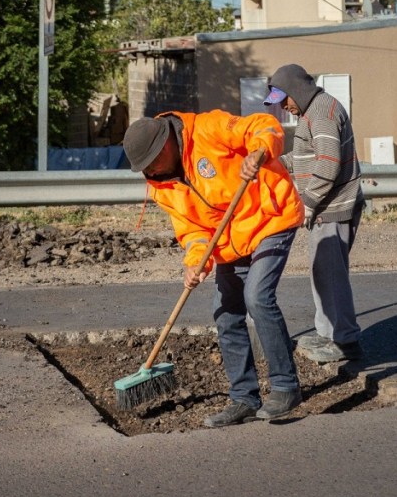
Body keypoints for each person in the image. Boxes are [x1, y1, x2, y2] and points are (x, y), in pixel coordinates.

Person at [121, 110, 305, 427]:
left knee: (257, 296)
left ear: (165, 145)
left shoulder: (207, 128)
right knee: (225, 312)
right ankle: (244, 398)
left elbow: (265, 125)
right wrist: (195, 262)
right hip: (230, 242)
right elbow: (192, 231)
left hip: (269, 218)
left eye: (151, 163)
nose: (149, 172)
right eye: (144, 168)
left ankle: (286, 387)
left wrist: (259, 151)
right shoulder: (161, 186)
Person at [263, 64, 365, 363]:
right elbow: (307, 155)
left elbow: (328, 164)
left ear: (298, 90)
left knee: (331, 276)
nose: (283, 106)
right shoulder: (312, 111)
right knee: (322, 273)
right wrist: (274, 163)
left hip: (332, 208)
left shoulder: (321, 112)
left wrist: (307, 203)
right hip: (324, 207)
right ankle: (328, 332)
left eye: (285, 99)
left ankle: (346, 341)